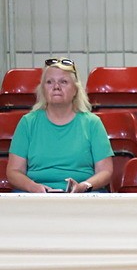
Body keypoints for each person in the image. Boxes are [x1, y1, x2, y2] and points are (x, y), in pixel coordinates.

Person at [6, 58, 113, 193]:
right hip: (34, 195)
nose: (56, 87)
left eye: (63, 82)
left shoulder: (93, 123)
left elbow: (105, 171)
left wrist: (84, 186)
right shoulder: (27, 123)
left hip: (82, 196)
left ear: (75, 89)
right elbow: (14, 171)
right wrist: (33, 187)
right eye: (49, 82)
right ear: (43, 89)